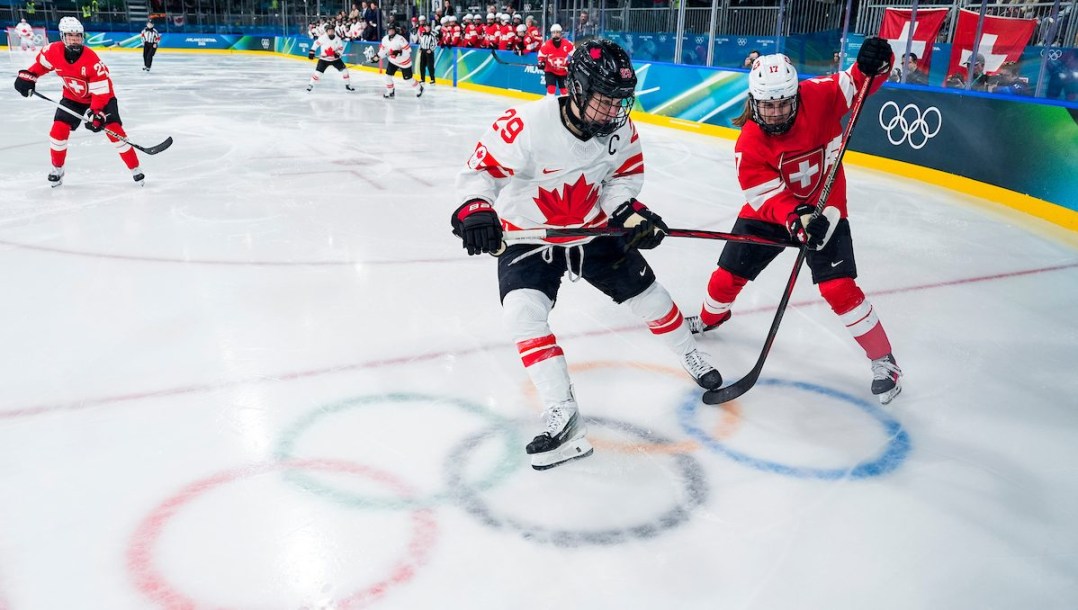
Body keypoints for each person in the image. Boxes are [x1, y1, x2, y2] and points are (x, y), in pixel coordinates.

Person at [451, 39, 723, 471]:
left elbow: (624, 176)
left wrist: (629, 211)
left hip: (593, 232)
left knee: (651, 298)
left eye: (620, 102)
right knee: (522, 314)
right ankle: (564, 414)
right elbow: (480, 171)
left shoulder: (620, 130)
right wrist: (476, 210)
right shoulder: (526, 123)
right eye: (604, 101)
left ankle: (689, 352)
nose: (614, 112)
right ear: (576, 89)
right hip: (530, 238)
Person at [687, 38, 904, 405]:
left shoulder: (821, 95)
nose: (774, 114)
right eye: (766, 107)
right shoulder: (750, 143)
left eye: (782, 104)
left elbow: (863, 79)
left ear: (797, 96)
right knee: (727, 275)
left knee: (838, 288)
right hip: (775, 212)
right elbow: (764, 195)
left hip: (826, 209)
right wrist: (794, 216)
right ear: (754, 102)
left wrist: (878, 61)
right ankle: (711, 318)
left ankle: (885, 362)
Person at [13, 17, 144, 187]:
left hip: (102, 98)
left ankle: (135, 169)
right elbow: (41, 66)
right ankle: (57, 169)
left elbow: (100, 91)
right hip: (72, 97)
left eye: (78, 36)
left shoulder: (91, 60)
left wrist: (96, 112)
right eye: (70, 36)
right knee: (58, 131)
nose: (75, 39)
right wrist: (29, 77)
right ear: (62, 36)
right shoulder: (52, 51)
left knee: (115, 132)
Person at [371, 22, 423, 98]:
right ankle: (390, 92)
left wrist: (399, 52)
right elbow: (383, 51)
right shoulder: (385, 39)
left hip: (404, 62)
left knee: (408, 79)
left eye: (392, 30)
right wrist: (378, 56)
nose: (390, 32)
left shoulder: (400, 39)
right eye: (389, 30)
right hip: (393, 61)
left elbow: (409, 50)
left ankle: (419, 88)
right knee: (387, 77)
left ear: (395, 30)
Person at [306, 25, 354, 92]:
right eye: (329, 31)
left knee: (345, 71)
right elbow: (315, 44)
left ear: (334, 31)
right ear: (327, 32)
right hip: (324, 60)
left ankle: (348, 85)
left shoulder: (338, 38)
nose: (331, 32)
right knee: (318, 73)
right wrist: (312, 52)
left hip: (335, 60)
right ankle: (310, 85)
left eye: (332, 31)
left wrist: (338, 54)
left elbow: (340, 48)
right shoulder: (322, 38)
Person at [537, 24, 573, 95]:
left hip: (563, 71)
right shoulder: (546, 44)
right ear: (551, 34)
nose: (555, 34)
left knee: (564, 92)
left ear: (561, 33)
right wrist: (541, 62)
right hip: (550, 71)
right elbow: (541, 55)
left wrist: (571, 63)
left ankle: (563, 105)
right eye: (554, 32)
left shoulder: (567, 44)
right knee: (551, 89)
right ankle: (549, 104)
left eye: (557, 32)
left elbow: (575, 54)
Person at [416, 20, 437, 84]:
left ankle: (432, 79)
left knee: (430, 66)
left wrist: (431, 49)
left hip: (429, 52)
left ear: (430, 28)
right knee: (421, 65)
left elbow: (435, 44)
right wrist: (420, 48)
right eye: (426, 27)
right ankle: (422, 79)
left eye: (428, 27)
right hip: (423, 51)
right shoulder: (422, 34)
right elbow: (421, 42)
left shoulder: (432, 35)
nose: (427, 28)